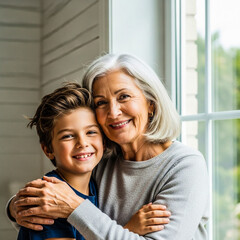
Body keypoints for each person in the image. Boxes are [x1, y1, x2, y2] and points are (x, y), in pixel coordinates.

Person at [8, 54, 209, 239]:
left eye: (124, 97)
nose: (113, 112)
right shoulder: (97, 160)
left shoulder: (185, 165)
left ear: (151, 104)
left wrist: (75, 207)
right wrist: (15, 207)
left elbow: (72, 209)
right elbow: (53, 208)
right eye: (101, 102)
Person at [14, 82, 170, 240]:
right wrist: (130, 230)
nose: (82, 143)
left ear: (103, 140)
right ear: (48, 150)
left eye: (91, 132)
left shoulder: (95, 187)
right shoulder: (49, 199)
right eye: (68, 136)